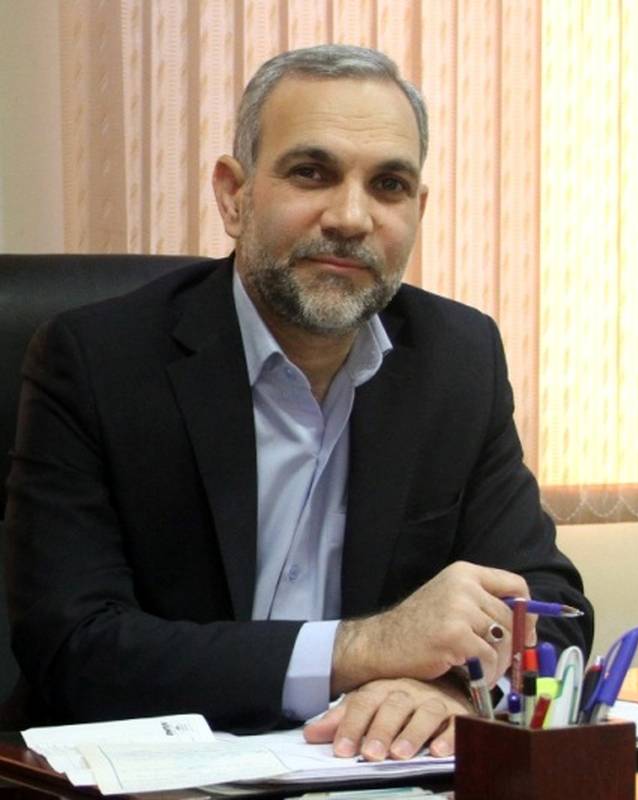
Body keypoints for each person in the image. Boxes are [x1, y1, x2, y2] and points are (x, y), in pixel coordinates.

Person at [2, 44, 591, 760]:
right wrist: (362, 649)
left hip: (366, 773)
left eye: (389, 185)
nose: (351, 217)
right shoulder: (98, 361)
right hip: (156, 775)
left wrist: (449, 690)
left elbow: (551, 608)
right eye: (312, 172)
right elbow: (75, 648)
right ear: (233, 195)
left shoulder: (456, 359)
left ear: (418, 210)